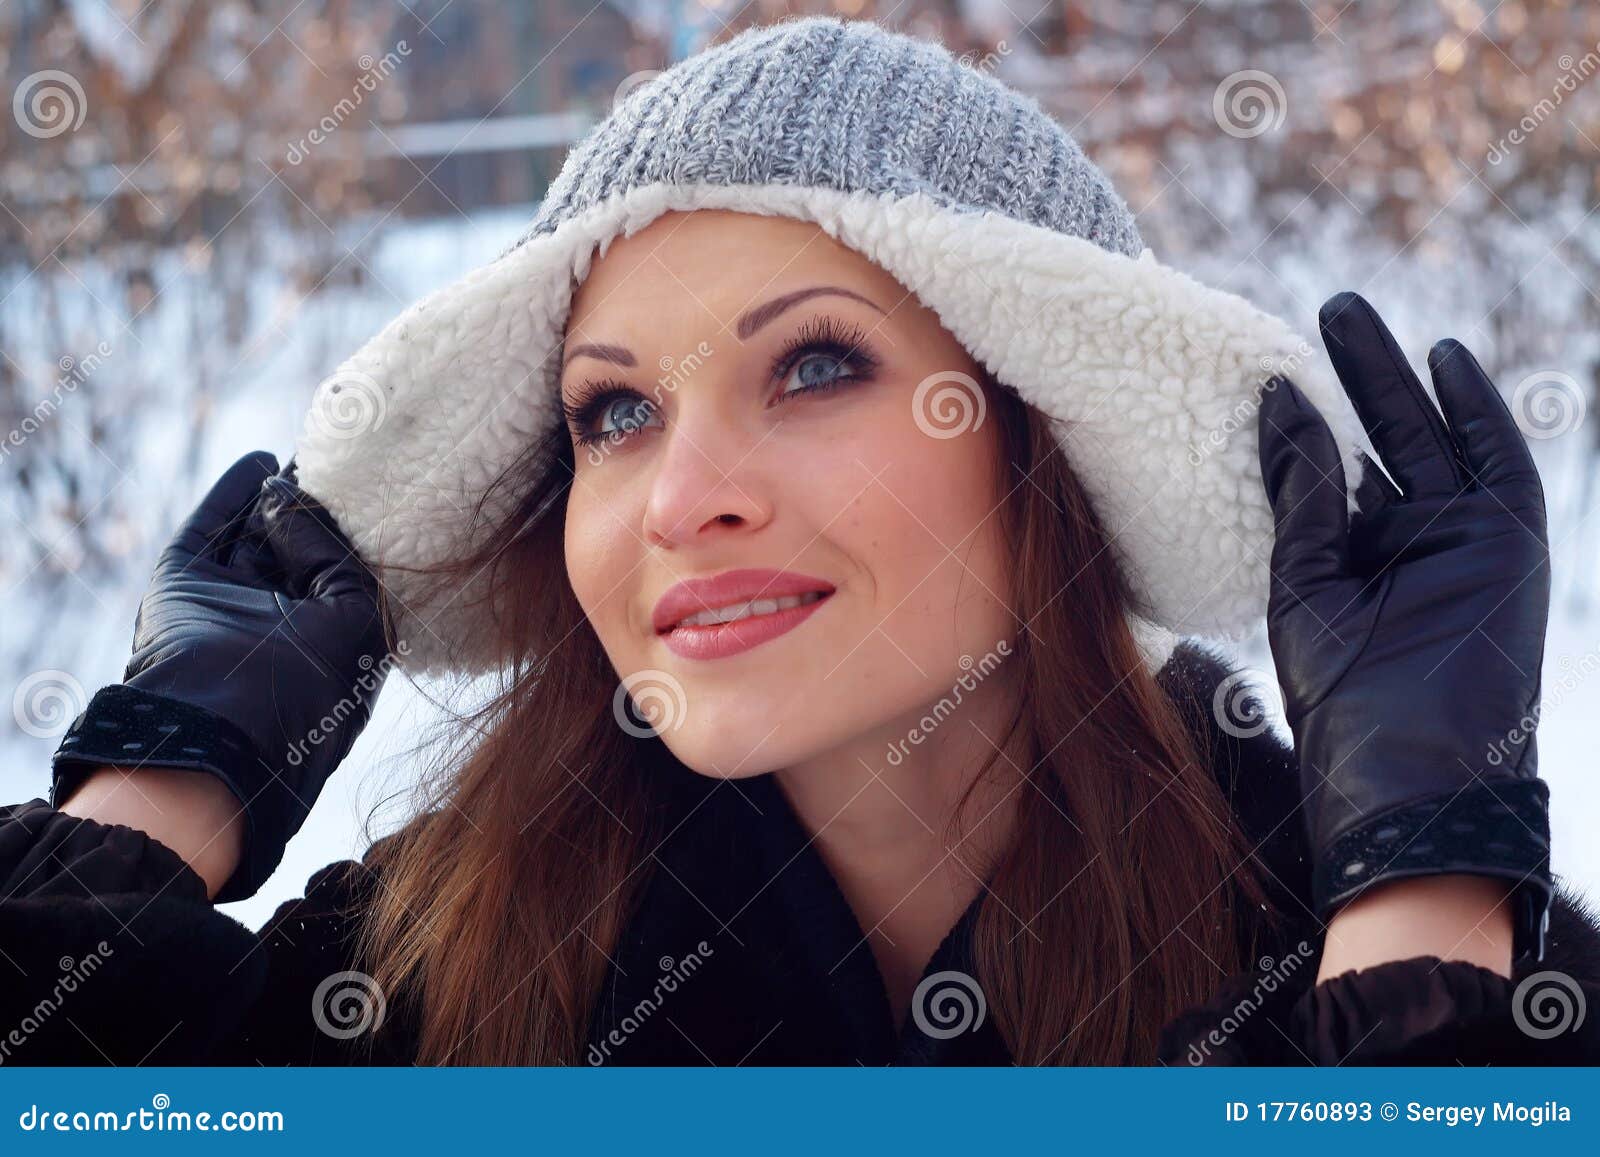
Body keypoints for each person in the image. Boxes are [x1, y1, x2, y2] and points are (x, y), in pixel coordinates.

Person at [4, 16, 1597, 1067]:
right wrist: (165, 773)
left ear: (1037, 435)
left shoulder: (1301, 930)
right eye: (612, 413)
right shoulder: (449, 966)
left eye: (817, 365)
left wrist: (1417, 875)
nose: (682, 494)